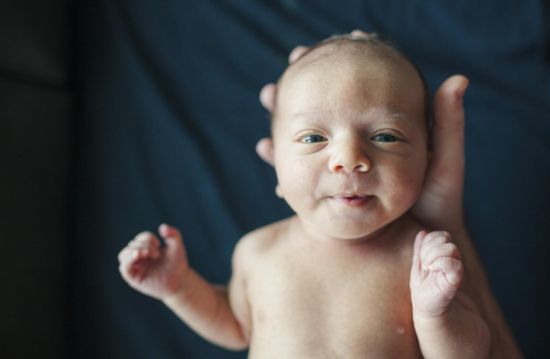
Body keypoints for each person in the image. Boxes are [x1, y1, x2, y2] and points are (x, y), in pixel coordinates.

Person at [117, 34, 518, 358]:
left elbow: (470, 353)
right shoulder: (257, 252)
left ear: (426, 159)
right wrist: (179, 288)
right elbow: (235, 325)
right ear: (274, 161)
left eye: (384, 136)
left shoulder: (423, 258)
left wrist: (436, 315)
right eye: (313, 138)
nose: (348, 160)